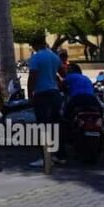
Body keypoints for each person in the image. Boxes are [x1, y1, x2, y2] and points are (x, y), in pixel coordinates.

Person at [27, 35, 66, 166]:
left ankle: (45, 158)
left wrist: (29, 94)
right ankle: (60, 155)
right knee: (57, 125)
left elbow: (32, 76)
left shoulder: (36, 57)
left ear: (36, 46)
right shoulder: (54, 56)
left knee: (43, 126)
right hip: (55, 93)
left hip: (41, 94)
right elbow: (63, 73)